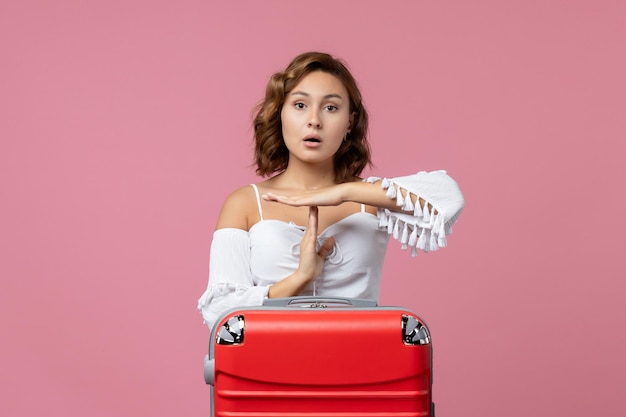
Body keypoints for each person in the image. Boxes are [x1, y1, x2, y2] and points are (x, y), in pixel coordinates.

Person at [197, 52, 464, 329]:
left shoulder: (368, 199)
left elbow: (448, 198)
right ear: (280, 114)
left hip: (361, 363)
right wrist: (299, 278)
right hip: (268, 365)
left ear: (349, 122)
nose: (314, 120)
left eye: (331, 108)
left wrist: (344, 192)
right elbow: (218, 310)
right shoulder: (245, 203)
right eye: (300, 105)